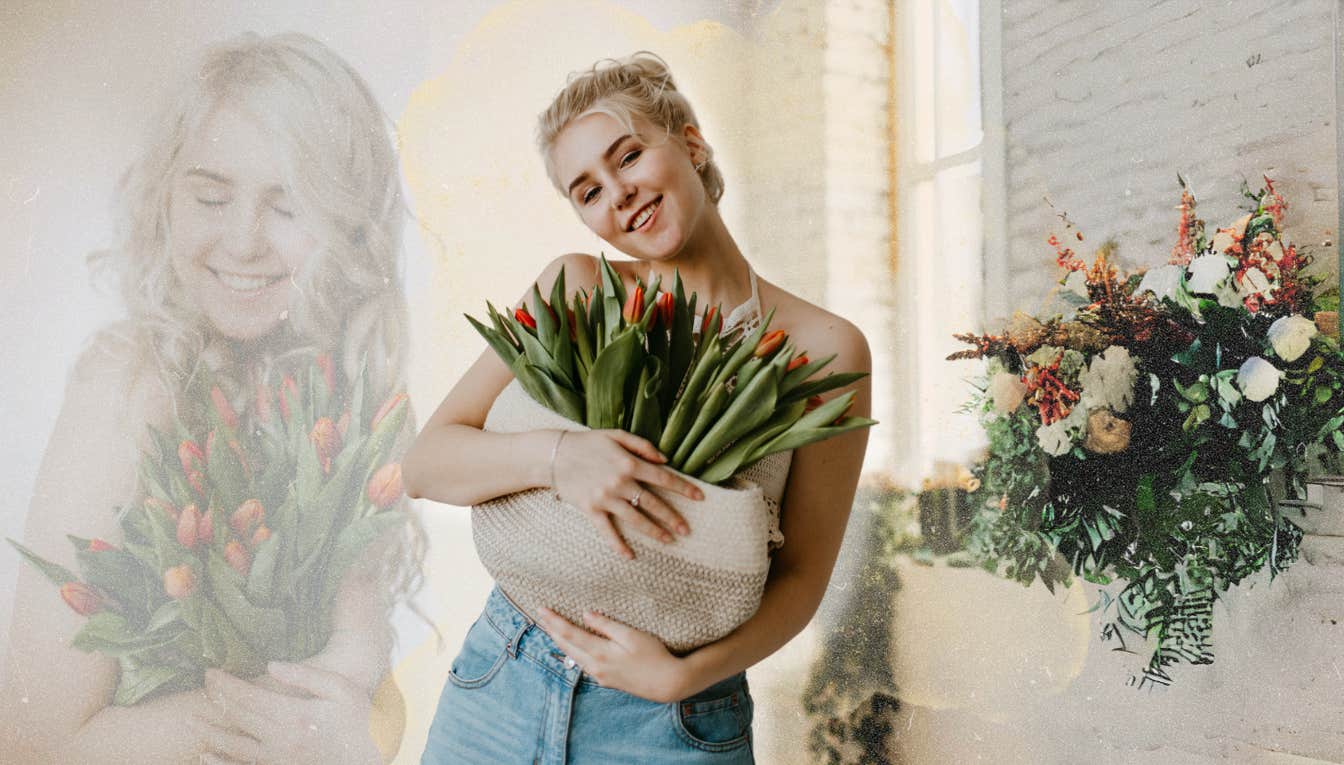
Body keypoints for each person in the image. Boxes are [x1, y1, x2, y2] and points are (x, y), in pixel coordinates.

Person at [405, 52, 871, 763]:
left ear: (689, 142)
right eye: (588, 190)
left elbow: (803, 576)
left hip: (671, 720)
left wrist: (682, 674)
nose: (617, 194)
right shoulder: (577, 288)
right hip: (503, 678)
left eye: (628, 156)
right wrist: (561, 457)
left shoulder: (824, 348)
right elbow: (425, 462)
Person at [0, 32, 420, 764]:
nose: (244, 240)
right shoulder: (130, 385)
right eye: (211, 195)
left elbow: (360, 668)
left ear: (351, 224)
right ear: (165, 198)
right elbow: (34, 739)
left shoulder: (340, 389)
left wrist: (360, 725)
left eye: (286, 205)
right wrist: (306, 722)